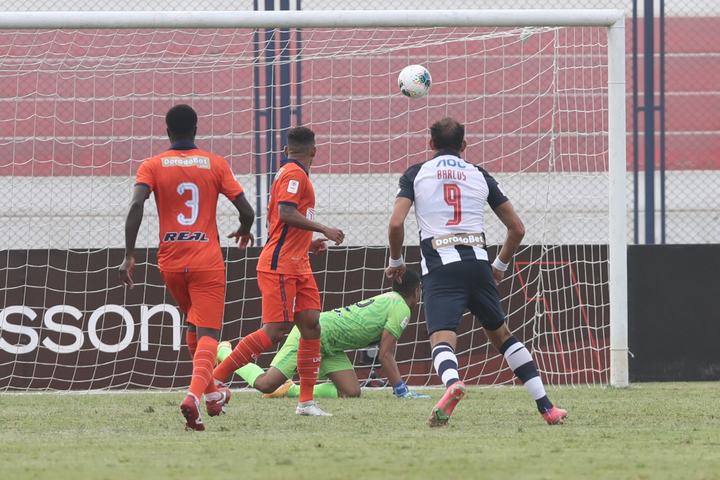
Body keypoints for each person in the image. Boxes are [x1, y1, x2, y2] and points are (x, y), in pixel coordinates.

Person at [385, 117, 567, 427]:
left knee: (442, 338)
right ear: (464, 145)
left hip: (441, 267)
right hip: (479, 265)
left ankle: (453, 383)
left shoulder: (416, 173)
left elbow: (395, 223)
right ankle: (547, 407)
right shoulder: (479, 174)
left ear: (431, 144)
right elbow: (517, 228)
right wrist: (499, 266)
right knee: (503, 335)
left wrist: (396, 260)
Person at [119, 104, 255, 431]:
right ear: (196, 129)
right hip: (206, 259)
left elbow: (136, 204)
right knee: (208, 333)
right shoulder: (215, 163)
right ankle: (193, 397)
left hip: (171, 260)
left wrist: (129, 254)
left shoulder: (152, 165)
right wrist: (245, 228)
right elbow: (247, 210)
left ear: (167, 131)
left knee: (193, 326)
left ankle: (212, 395)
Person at [212, 126, 345, 417]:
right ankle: (215, 380)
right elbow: (285, 213)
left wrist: (308, 243)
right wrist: (323, 228)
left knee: (311, 325)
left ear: (286, 150)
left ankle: (306, 402)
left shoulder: (293, 174)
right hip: (280, 265)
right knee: (274, 330)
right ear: (314, 151)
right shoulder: (294, 174)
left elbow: (280, 223)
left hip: (298, 263)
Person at [217, 270, 429, 400]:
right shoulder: (402, 308)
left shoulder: (390, 298)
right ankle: (225, 352)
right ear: (416, 291)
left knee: (351, 392)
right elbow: (385, 354)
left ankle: (290, 390)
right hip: (314, 331)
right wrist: (401, 390)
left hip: (332, 343)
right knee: (266, 384)